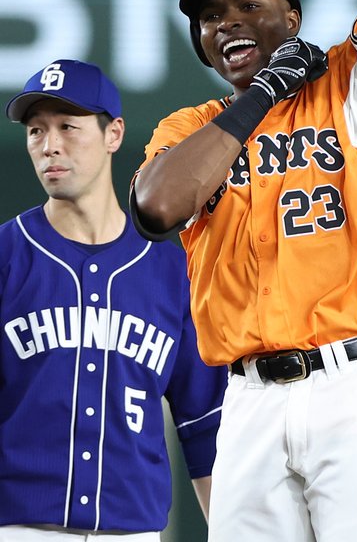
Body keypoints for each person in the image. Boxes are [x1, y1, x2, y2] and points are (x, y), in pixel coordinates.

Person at [131, 0, 357, 542]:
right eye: (210, 16)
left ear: (292, 20)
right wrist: (265, 94)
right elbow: (157, 208)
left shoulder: (351, 86)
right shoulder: (190, 128)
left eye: (248, 5)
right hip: (249, 400)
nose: (226, 23)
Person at [0, 59, 228, 542]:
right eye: (36, 131)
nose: (50, 145)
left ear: (114, 134)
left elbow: (203, 424)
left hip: (134, 532)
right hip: (19, 528)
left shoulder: (172, 271)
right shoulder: (6, 255)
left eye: (68, 126)